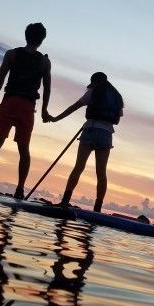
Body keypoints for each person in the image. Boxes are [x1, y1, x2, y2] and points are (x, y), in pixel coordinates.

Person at [0, 22, 51, 198]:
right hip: (27, 107)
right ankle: (20, 190)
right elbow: (47, 89)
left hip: (9, 103)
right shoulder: (45, 62)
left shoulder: (11, 54)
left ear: (26, 35)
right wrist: (44, 110)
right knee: (24, 149)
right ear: (42, 40)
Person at [48, 72, 123, 212]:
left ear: (94, 82)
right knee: (101, 173)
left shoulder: (93, 92)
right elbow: (117, 121)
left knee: (78, 167)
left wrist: (56, 118)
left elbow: (73, 107)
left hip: (90, 130)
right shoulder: (117, 97)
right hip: (106, 134)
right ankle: (97, 209)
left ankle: (65, 201)